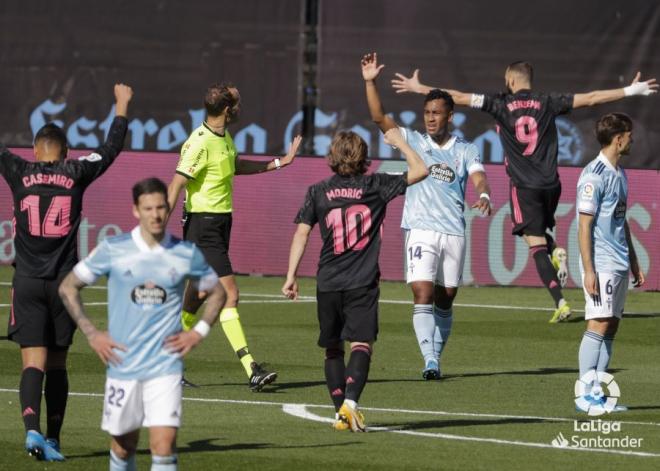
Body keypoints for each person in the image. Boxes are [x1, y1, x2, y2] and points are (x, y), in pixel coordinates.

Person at [392, 63, 657, 322]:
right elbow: (591, 99)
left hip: (524, 185)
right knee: (540, 236)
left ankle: (560, 302)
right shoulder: (548, 101)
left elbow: (456, 98)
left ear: (510, 79)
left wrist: (419, 87)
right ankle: (554, 251)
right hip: (552, 185)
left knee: (535, 244)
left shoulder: (500, 103)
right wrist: (630, 91)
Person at [0, 84, 132, 461]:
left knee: (33, 362)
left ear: (34, 151)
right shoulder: (75, 172)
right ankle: (54, 439)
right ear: (66, 153)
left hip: (26, 281)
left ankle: (32, 433)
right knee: (58, 363)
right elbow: (110, 150)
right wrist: (121, 105)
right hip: (63, 285)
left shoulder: (18, 170)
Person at [59, 178, 225, 471]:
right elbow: (68, 287)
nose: (156, 214)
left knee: (163, 445)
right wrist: (92, 333)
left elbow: (218, 292)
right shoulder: (114, 249)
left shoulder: (185, 252)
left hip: (166, 366)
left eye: (161, 207)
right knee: (124, 448)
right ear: (136, 210)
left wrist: (198, 332)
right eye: (148, 208)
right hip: (123, 365)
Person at [282, 128, 428, 432]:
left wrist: (291, 275)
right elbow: (421, 171)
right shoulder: (375, 185)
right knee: (362, 344)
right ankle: (350, 404)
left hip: (328, 281)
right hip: (361, 281)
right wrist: (401, 143)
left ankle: (341, 412)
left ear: (332, 157)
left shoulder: (318, 190)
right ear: (363, 158)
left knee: (333, 349)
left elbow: (301, 232)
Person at [362, 53, 491, 379]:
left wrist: (484, 194)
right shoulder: (414, 141)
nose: (430, 119)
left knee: (445, 298)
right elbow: (379, 118)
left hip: (453, 231)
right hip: (420, 228)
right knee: (422, 291)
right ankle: (430, 361)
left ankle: (435, 354)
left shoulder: (466, 149)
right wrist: (370, 82)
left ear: (450, 116)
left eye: (437, 113)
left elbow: (478, 176)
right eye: (427, 113)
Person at [167, 83, 302, 391]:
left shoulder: (223, 136)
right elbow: (176, 184)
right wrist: (157, 224)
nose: (241, 109)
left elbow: (234, 165)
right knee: (230, 295)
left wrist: (279, 162)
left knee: (194, 298)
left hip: (217, 225)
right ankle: (250, 367)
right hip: (203, 228)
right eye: (237, 105)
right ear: (227, 111)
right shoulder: (199, 142)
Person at [574, 113, 643, 413]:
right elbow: (584, 225)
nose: (632, 140)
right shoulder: (594, 175)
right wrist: (589, 270)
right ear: (618, 138)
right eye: (629, 135)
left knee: (611, 326)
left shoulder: (620, 173)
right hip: (600, 262)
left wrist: (634, 260)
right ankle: (584, 395)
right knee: (598, 324)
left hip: (618, 261)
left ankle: (597, 394)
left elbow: (620, 220)